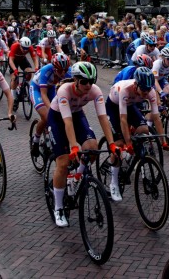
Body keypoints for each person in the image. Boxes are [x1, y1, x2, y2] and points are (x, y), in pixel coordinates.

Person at [46, 62, 119, 227]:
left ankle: (75, 178)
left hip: (77, 115)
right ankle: (58, 208)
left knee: (92, 148)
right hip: (58, 118)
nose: (88, 85)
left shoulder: (95, 91)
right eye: (84, 81)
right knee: (63, 162)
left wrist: (112, 144)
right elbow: (67, 122)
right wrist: (73, 146)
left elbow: (102, 118)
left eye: (91, 82)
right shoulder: (64, 90)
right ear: (75, 80)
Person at [105, 67, 166, 201]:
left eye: (148, 89)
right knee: (120, 143)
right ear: (136, 84)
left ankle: (128, 157)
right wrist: (127, 143)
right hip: (114, 106)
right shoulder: (125, 89)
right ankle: (113, 183)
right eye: (143, 89)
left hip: (130, 105)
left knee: (144, 129)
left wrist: (163, 141)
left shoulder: (150, 91)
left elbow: (156, 118)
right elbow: (123, 119)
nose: (146, 93)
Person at [29, 53, 71, 157]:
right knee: (47, 116)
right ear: (54, 68)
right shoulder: (46, 70)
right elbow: (43, 94)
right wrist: (52, 110)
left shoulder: (68, 72)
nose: (63, 73)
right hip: (37, 89)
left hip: (51, 88)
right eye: (60, 70)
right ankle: (36, 139)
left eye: (65, 70)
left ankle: (50, 137)